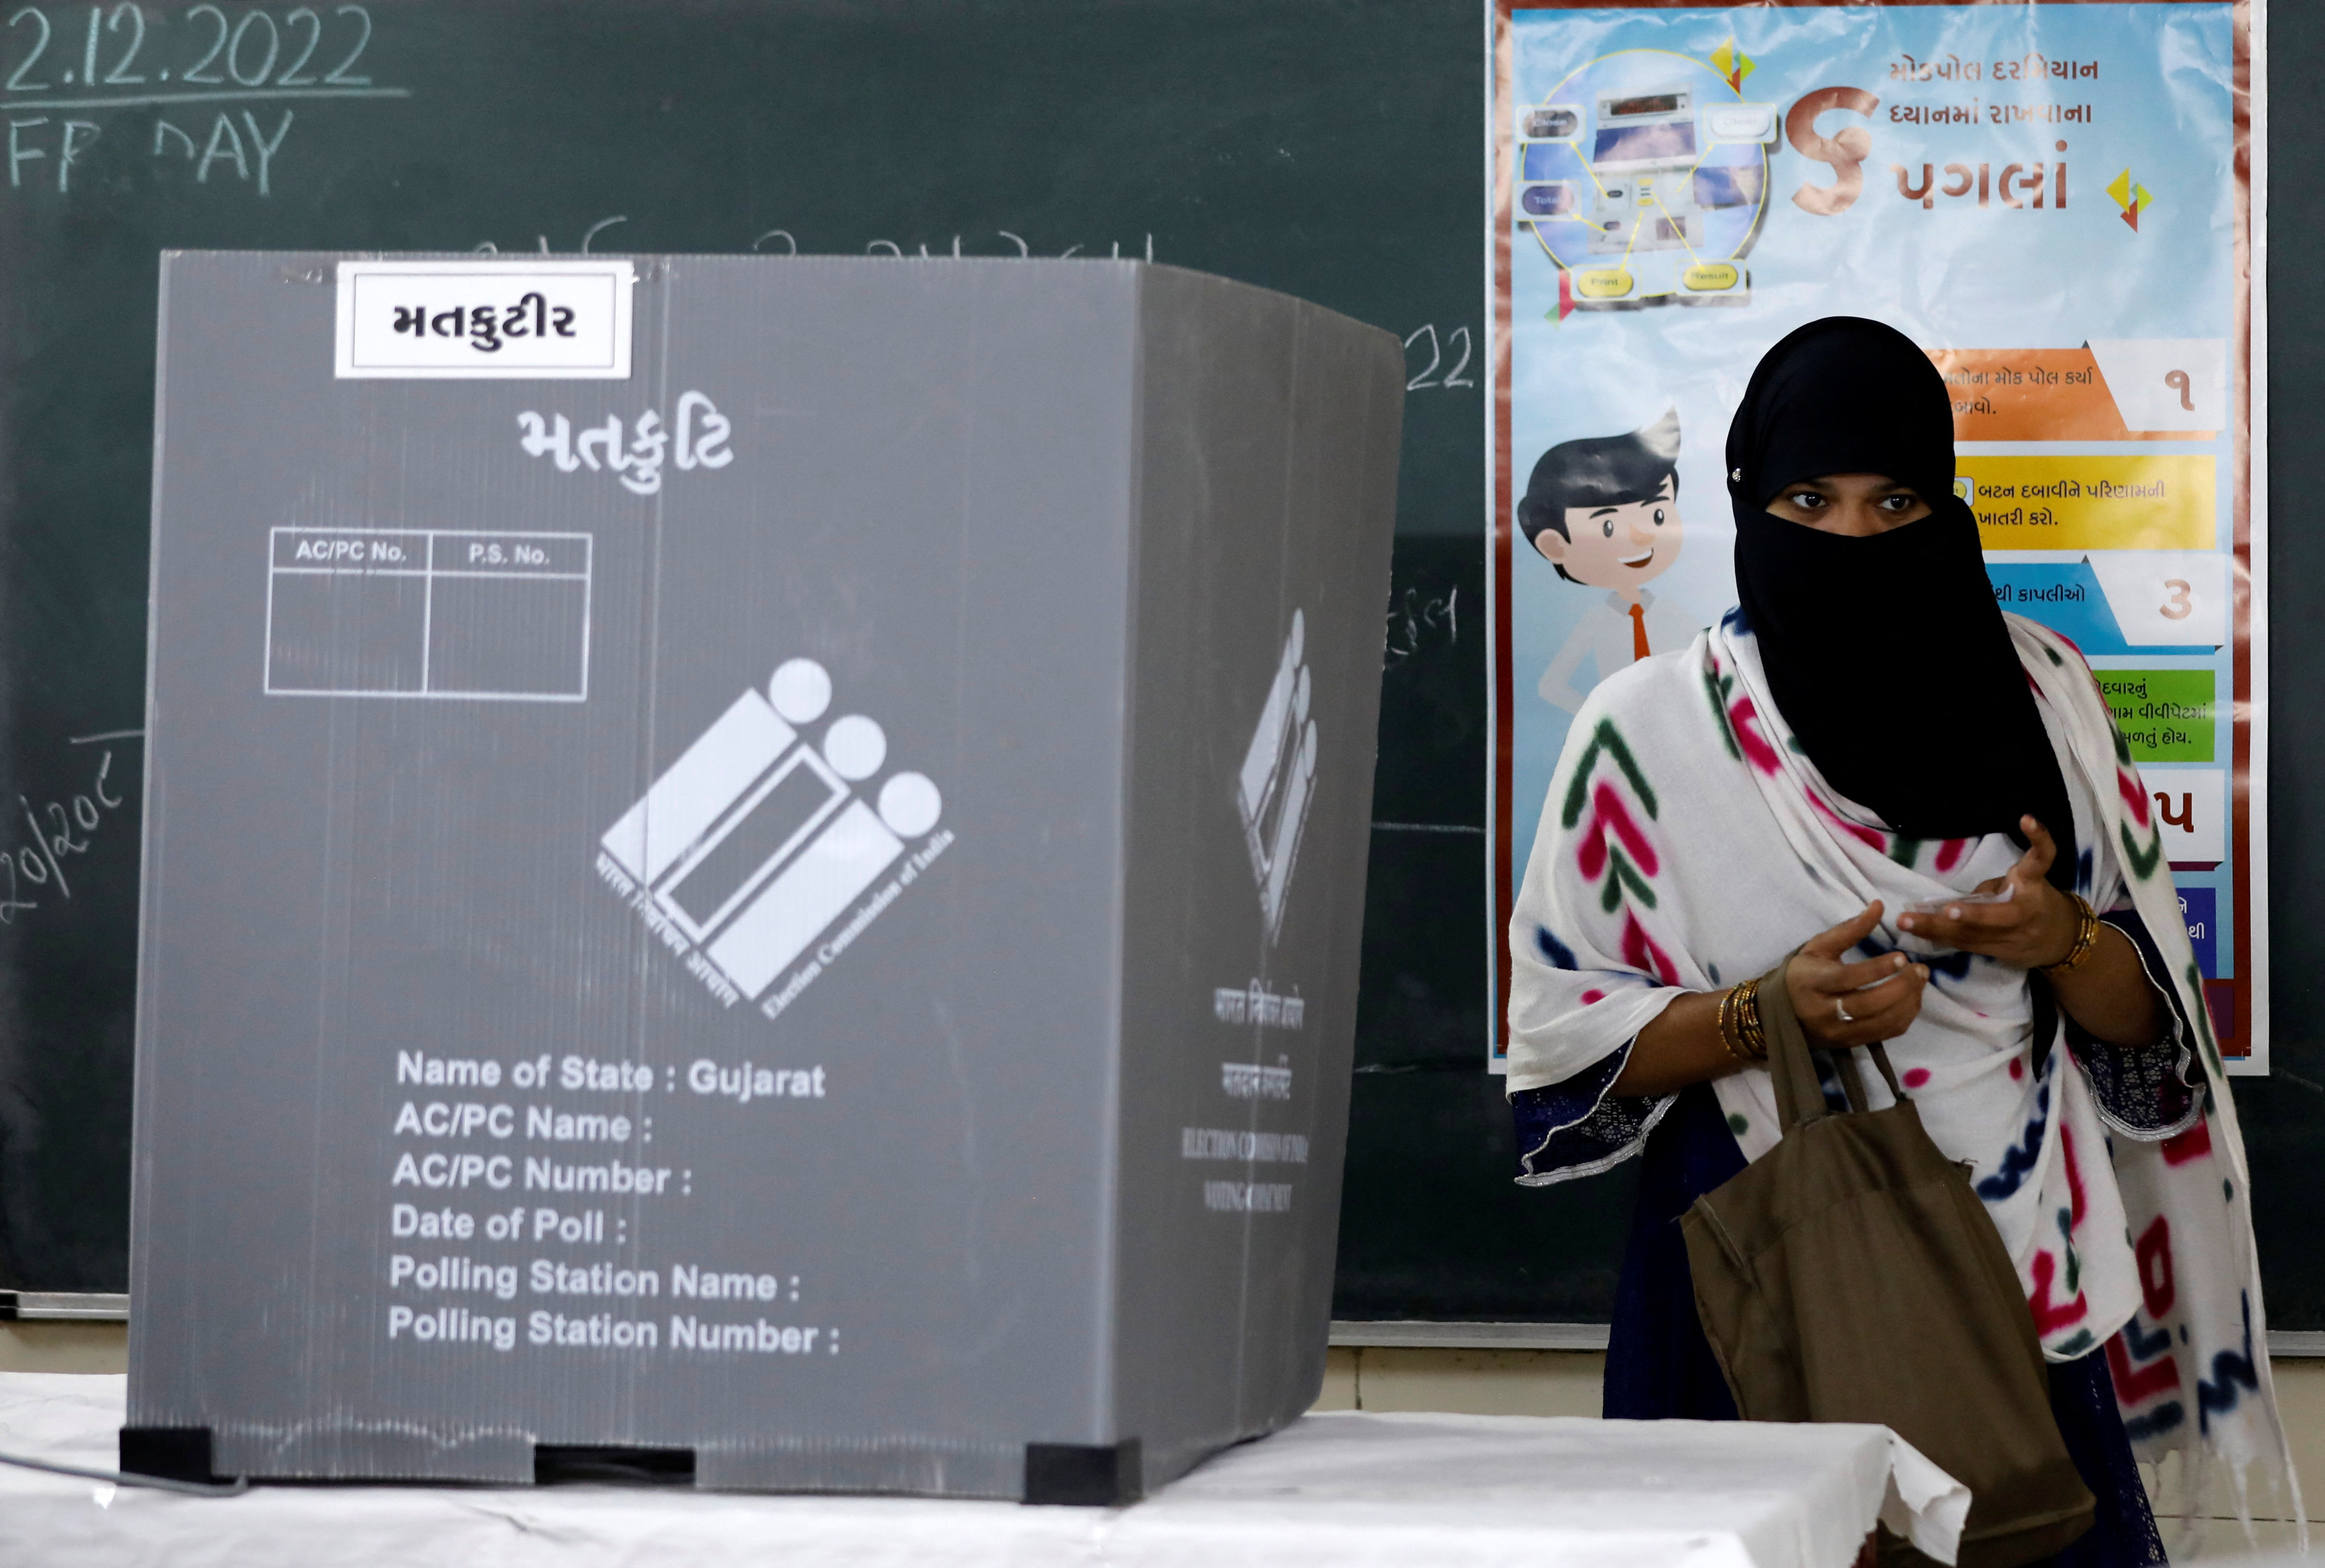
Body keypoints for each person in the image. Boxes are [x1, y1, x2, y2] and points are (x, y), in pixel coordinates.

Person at [1505, 318, 2296, 1565]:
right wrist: (1765, 1014)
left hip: (2012, 1291)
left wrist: (2061, 936)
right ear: (1749, 504)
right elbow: (1559, 1051)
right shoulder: (1648, 731)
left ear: (1944, 505)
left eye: (1895, 502)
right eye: (1808, 501)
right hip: (1759, 1285)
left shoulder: (2046, 693)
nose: (1852, 538)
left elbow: (2149, 1031)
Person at [1519, 409, 1704, 710]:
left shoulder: (1671, 613)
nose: (1641, 537)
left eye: (1657, 515)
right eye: (1608, 526)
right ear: (1555, 545)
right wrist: (1598, 719)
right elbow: (1551, 685)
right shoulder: (1596, 622)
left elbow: (1718, 662)